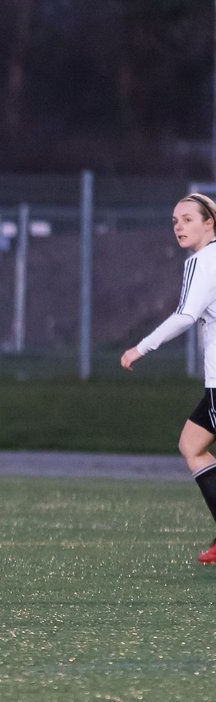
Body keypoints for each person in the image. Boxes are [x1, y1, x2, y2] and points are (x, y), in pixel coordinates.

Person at [122, 191, 216, 564]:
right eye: (175, 221)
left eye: (188, 219)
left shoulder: (202, 261)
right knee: (192, 444)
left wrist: (141, 348)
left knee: (191, 447)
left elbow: (185, 315)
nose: (179, 226)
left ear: (210, 223)